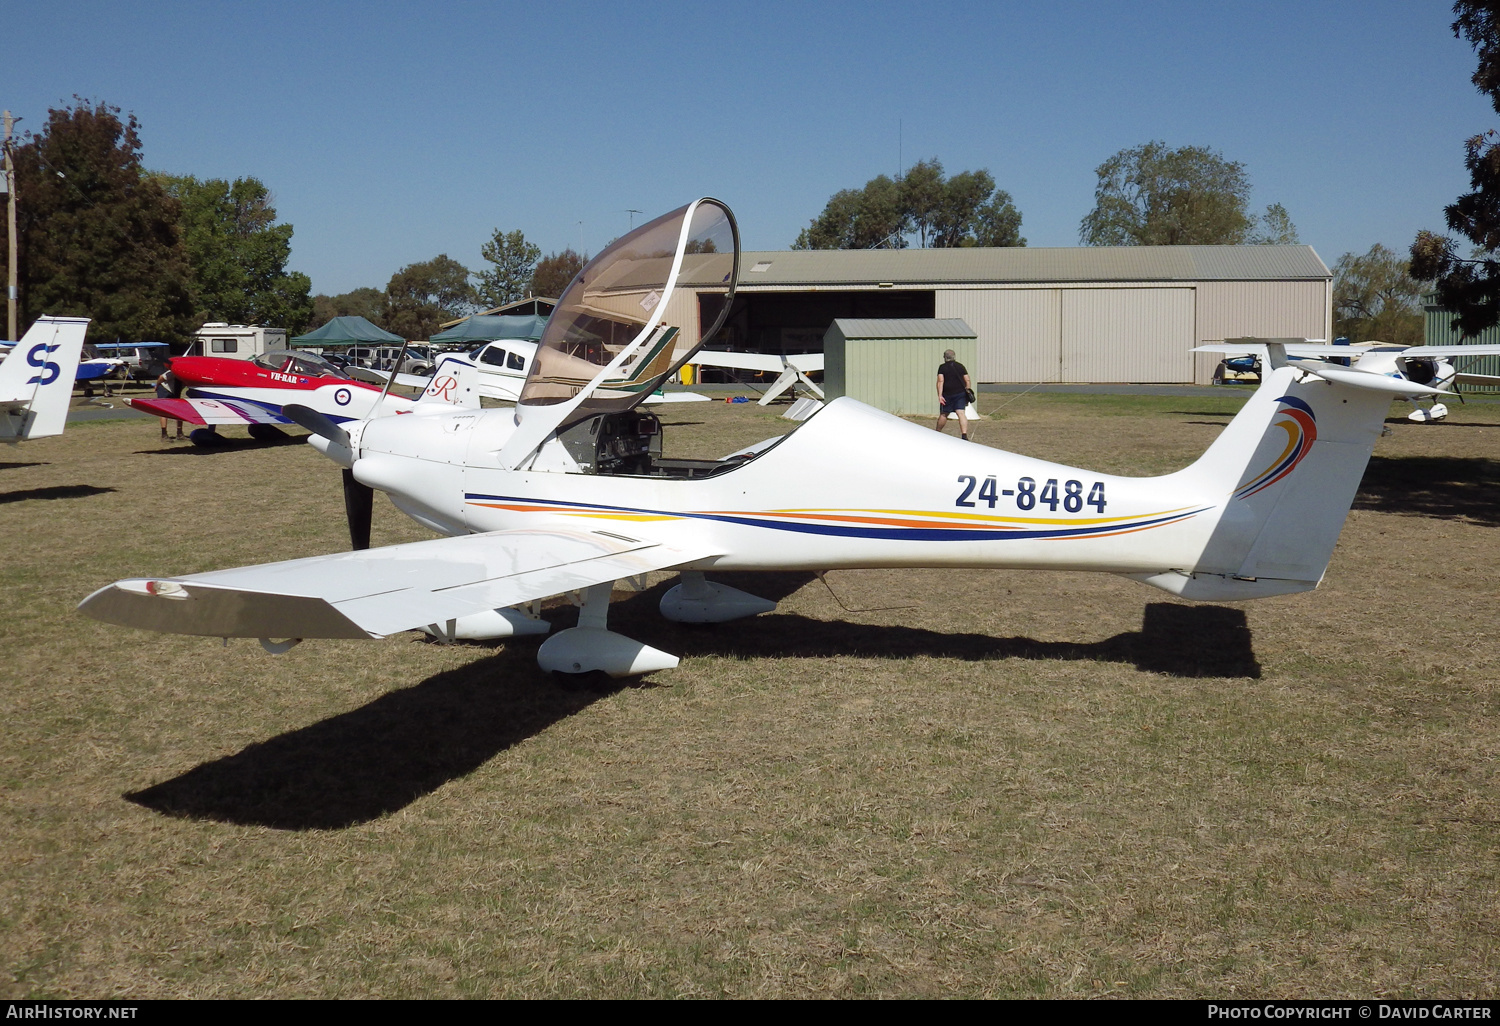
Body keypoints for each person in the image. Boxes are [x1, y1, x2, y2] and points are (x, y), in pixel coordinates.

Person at [935, 349, 972, 440]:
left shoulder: (942, 367)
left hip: (947, 394)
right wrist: (967, 390)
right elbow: (967, 379)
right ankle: (964, 434)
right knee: (961, 413)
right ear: (954, 356)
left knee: (944, 414)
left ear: (945, 357)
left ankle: (937, 432)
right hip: (960, 393)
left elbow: (940, 381)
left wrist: (940, 395)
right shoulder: (960, 366)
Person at [155, 370, 184, 441]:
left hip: (176, 389)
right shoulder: (174, 370)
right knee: (164, 411)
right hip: (164, 389)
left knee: (179, 411)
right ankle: (164, 434)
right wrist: (157, 385)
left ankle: (179, 434)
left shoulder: (190, 374)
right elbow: (161, 377)